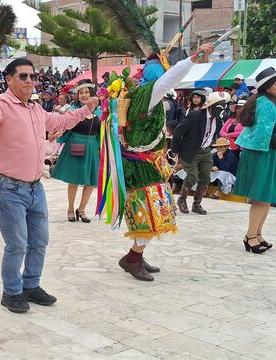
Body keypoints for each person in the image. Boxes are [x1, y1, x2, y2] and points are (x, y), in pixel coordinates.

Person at [0, 58, 99, 313]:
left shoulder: (34, 109)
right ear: (9, 79)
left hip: (35, 186)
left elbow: (59, 123)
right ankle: (11, 292)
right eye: (23, 76)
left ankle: (31, 285)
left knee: (40, 241)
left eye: (32, 76)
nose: (30, 81)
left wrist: (86, 109)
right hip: (8, 187)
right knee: (17, 244)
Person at [114, 44, 215, 282]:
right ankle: (132, 258)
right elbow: (170, 78)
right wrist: (192, 59)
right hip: (142, 167)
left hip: (145, 164)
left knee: (151, 210)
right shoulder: (149, 93)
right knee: (150, 212)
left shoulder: (135, 94)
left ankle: (136, 254)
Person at [233, 67, 276, 254]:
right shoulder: (267, 103)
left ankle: (257, 234)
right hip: (262, 151)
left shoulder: (266, 100)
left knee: (265, 197)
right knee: (260, 198)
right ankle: (251, 236)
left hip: (266, 150)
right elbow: (264, 133)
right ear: (266, 87)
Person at [50, 81, 100, 223]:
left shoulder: (99, 112)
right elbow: (64, 127)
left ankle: (82, 209)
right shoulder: (73, 111)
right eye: (81, 93)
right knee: (74, 180)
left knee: (90, 181)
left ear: (92, 95)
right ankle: (70, 209)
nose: (84, 95)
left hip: (92, 148)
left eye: (87, 92)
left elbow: (102, 133)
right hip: (75, 145)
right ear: (77, 96)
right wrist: (57, 134)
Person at [173, 91, 229, 215]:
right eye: (219, 107)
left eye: (223, 107)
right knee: (192, 176)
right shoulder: (195, 115)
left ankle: (197, 204)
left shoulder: (218, 120)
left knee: (205, 178)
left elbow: (214, 133)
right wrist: (175, 150)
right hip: (191, 150)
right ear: (211, 105)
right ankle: (182, 199)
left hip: (206, 150)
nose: (220, 111)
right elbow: (177, 131)